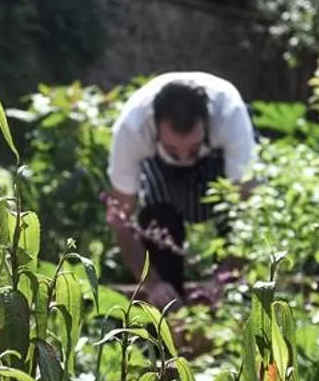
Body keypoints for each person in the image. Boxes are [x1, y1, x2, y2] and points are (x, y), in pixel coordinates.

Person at [103, 72, 255, 309]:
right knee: (158, 221)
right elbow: (121, 219)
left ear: (207, 123)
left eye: (192, 149)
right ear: (155, 127)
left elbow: (248, 212)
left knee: (234, 218)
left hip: (216, 175)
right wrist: (152, 283)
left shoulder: (230, 115)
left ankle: (231, 305)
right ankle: (168, 312)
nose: (184, 158)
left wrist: (223, 279)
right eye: (174, 150)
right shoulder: (132, 129)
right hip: (162, 185)